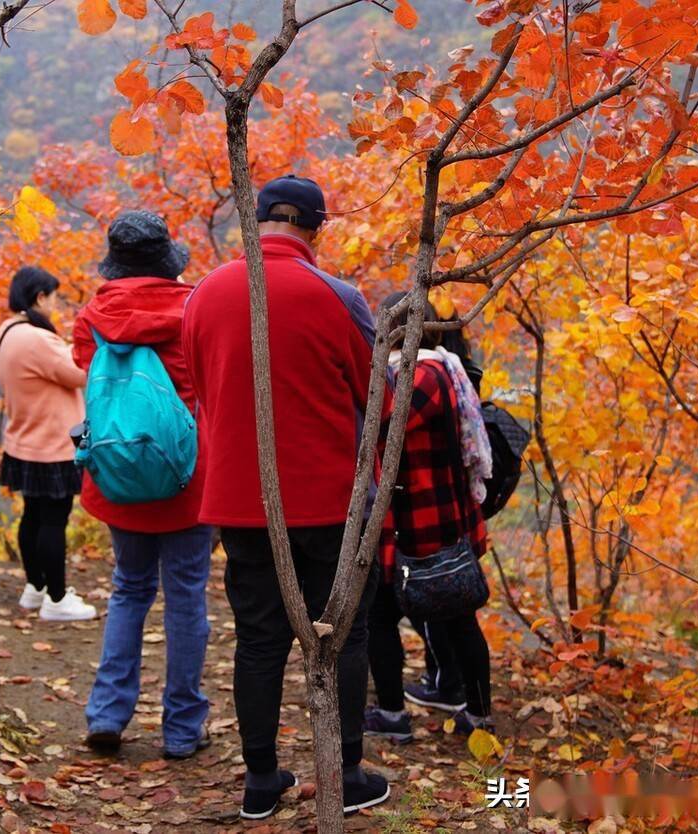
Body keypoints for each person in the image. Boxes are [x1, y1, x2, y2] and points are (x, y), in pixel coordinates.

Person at [183, 175, 389, 819]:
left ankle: (261, 781)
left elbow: (200, 386)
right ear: (315, 229)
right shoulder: (339, 297)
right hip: (331, 501)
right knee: (344, 637)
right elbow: (375, 394)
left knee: (260, 639)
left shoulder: (204, 295)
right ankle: (347, 772)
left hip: (242, 500)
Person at [73, 210, 213, 759]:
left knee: (129, 588)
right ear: (165, 259)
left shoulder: (92, 317)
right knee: (186, 597)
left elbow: (91, 381)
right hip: (187, 477)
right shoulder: (194, 309)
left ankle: (107, 713)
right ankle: (181, 728)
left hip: (119, 473)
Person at [365, 291, 494, 743]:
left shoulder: (422, 375)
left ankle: (459, 713)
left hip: (422, 520)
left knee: (447, 617)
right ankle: (401, 711)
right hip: (422, 517)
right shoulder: (438, 369)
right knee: (391, 616)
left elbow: (377, 421)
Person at [0, 266, 96, 622]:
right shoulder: (37, 339)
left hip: (23, 439)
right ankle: (57, 598)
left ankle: (35, 587)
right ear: (39, 297)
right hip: (52, 444)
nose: (55, 304)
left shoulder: (6, 332)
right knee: (54, 520)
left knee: (32, 516)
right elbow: (81, 373)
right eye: (53, 297)